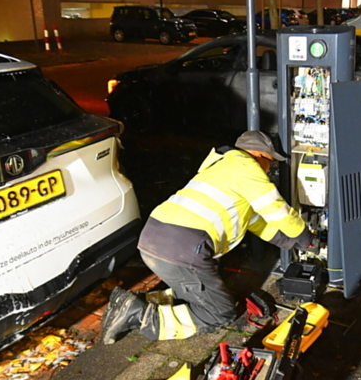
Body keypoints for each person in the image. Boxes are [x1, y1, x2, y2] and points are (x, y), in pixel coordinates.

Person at [102, 130, 318, 344]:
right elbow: (277, 210)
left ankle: (130, 302)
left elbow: (259, 224)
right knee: (219, 313)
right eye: (271, 163)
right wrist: (305, 236)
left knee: (192, 294)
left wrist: (293, 243)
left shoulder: (220, 169)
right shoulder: (246, 167)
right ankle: (138, 315)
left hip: (155, 238)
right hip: (183, 248)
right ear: (259, 155)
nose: (271, 170)